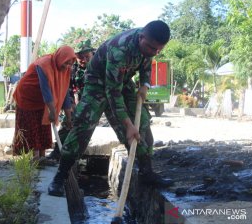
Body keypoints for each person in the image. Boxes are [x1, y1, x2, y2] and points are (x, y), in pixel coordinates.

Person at [48, 20, 172, 196]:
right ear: (141, 37)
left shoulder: (149, 44)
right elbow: (113, 93)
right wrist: (128, 125)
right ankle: (60, 178)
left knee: (143, 123)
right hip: (98, 84)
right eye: (152, 48)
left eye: (159, 50)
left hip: (123, 80)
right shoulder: (119, 49)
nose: (155, 52)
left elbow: (146, 63)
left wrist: (144, 83)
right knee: (82, 128)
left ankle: (146, 172)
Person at [12, 45, 76, 162]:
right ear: (60, 57)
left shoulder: (66, 70)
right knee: (32, 126)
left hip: (43, 100)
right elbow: (46, 90)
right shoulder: (44, 65)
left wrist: (69, 118)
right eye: (66, 63)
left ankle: (42, 157)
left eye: (70, 64)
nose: (67, 66)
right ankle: (35, 158)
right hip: (28, 96)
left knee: (44, 125)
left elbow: (64, 92)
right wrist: (52, 111)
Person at [47, 39, 95, 161]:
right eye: (80, 57)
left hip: (96, 102)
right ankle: (58, 152)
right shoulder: (71, 68)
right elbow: (66, 88)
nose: (84, 60)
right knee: (67, 123)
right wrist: (71, 104)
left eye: (87, 56)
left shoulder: (98, 65)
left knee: (85, 130)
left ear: (92, 54)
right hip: (78, 101)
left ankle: (75, 155)